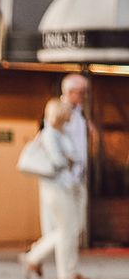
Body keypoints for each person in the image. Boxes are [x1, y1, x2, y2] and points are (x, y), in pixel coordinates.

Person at [19, 99, 90, 279]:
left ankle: (34, 257)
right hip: (56, 187)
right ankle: (66, 274)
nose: (70, 115)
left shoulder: (61, 133)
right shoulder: (50, 134)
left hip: (68, 186)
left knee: (71, 228)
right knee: (67, 229)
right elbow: (57, 161)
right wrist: (69, 159)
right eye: (67, 112)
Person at [60, 73, 90, 245]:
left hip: (79, 175)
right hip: (67, 176)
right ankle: (35, 256)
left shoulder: (79, 114)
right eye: (81, 92)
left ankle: (69, 270)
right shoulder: (59, 111)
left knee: (77, 225)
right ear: (70, 92)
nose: (83, 96)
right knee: (67, 226)